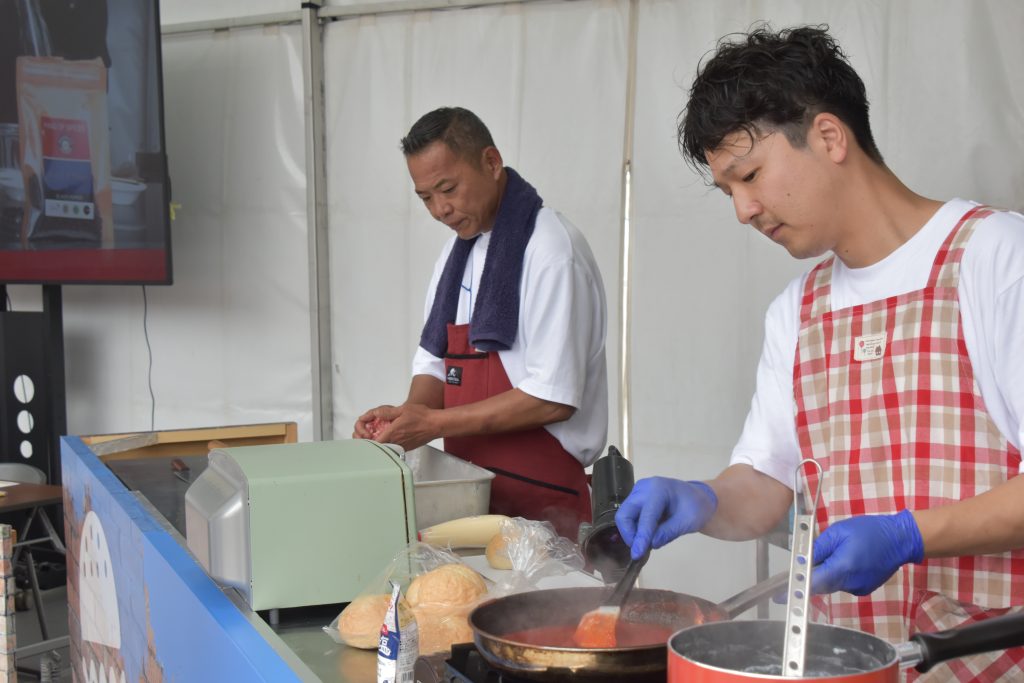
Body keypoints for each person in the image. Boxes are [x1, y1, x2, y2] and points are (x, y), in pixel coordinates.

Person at [615, 25, 1024, 680]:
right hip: (851, 665)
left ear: (830, 137)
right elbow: (767, 486)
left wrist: (908, 535)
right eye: (728, 191)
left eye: (750, 176)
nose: (743, 210)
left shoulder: (995, 258)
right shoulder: (798, 311)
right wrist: (703, 498)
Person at [354, 107, 608, 539]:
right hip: (470, 500)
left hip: (545, 506)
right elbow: (435, 364)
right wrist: (405, 420)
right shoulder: (456, 256)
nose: (440, 210)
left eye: (448, 189)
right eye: (425, 197)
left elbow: (553, 399)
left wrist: (432, 424)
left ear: (491, 162)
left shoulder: (551, 251)